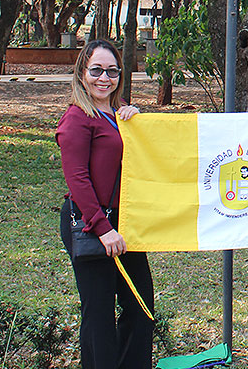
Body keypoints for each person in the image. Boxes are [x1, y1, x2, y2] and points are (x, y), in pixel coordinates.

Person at [56, 39, 150, 369]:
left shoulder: (117, 112)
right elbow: (77, 179)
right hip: (91, 222)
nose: (104, 78)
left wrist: (136, 122)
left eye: (112, 71)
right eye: (96, 70)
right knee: (99, 315)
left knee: (141, 308)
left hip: (127, 223)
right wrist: (102, 228)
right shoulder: (76, 118)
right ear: (82, 73)